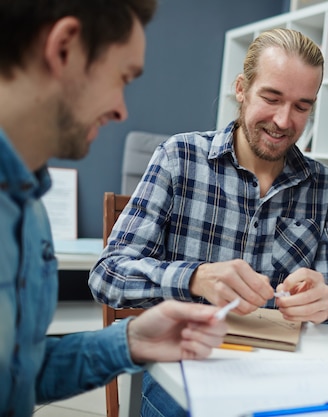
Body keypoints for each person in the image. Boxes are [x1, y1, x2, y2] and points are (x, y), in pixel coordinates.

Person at [88, 28, 328, 416]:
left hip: (279, 370)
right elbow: (107, 275)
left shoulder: (324, 188)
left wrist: (326, 301)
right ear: (241, 88)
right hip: (183, 363)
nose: (284, 120)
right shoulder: (178, 158)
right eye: (272, 98)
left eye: (302, 107)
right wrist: (196, 277)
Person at [0, 1, 229, 416]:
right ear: (65, 48)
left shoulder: (29, 209)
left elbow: (19, 375)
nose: (123, 109)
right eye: (122, 77)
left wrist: (131, 340)